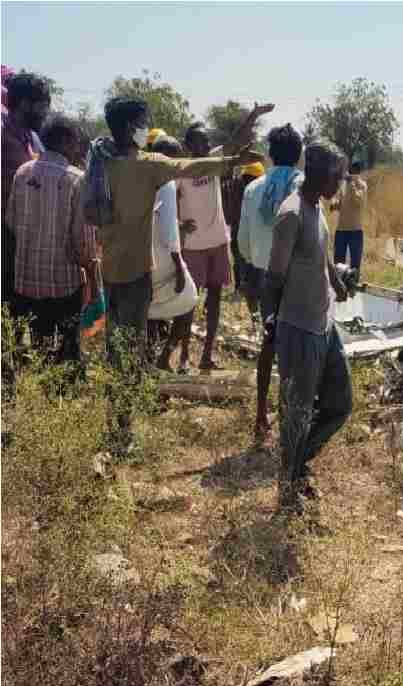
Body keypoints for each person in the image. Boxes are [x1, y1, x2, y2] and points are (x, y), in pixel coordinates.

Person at [84, 96, 263, 452]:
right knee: (131, 352)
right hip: (136, 275)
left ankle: (115, 419)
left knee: (116, 348)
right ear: (130, 127)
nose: (144, 127)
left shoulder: (100, 164)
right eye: (142, 121)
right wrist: (231, 161)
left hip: (110, 272)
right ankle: (122, 431)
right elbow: (193, 166)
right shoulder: (148, 165)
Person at [265, 141, 352, 514]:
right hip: (299, 327)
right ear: (318, 172)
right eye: (337, 175)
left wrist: (336, 280)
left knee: (340, 404)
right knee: (296, 413)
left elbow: (324, 255)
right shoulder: (291, 215)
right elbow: (272, 278)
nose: (341, 182)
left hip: (324, 324)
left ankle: (299, 464)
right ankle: (288, 485)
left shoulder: (317, 208)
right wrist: (271, 324)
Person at [7, 114, 96, 367]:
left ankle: (42, 387)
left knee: (40, 342)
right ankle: (65, 392)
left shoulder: (22, 172)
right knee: (68, 343)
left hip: (27, 280)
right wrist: (91, 272)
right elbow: (83, 241)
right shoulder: (77, 178)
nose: (78, 147)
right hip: (64, 282)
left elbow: (11, 223)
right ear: (67, 141)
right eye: (76, 141)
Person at [238, 123, 305, 444]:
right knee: (300, 347)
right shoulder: (304, 186)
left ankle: (261, 415)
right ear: (299, 154)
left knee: (269, 344)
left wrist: (257, 267)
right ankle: (293, 417)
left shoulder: (254, 190)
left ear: (271, 153)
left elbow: (244, 244)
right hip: (299, 277)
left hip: (266, 276)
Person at [166, 121, 246, 373]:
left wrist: (253, 115)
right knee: (189, 303)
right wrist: (178, 223)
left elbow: (235, 139)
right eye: (203, 141)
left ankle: (207, 355)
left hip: (218, 242)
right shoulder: (182, 170)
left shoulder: (213, 161)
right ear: (190, 146)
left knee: (215, 302)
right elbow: (167, 200)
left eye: (209, 141)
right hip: (193, 247)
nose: (208, 144)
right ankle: (183, 357)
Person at [144, 134, 195, 362]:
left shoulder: (140, 177)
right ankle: (164, 357)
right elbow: (167, 228)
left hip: (141, 254)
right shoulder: (167, 183)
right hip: (164, 256)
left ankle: (147, 358)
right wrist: (179, 266)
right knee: (188, 302)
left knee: (149, 307)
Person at [3, 73, 51, 312]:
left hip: (25, 239)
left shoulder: (32, 137)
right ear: (24, 104)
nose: (45, 113)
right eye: (43, 106)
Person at [226, 161, 262, 306]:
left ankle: (240, 286)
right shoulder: (255, 191)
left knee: (239, 261)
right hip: (249, 233)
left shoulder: (236, 186)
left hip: (236, 231)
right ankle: (247, 287)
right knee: (250, 262)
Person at [331, 160, 367, 269]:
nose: (351, 172)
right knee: (338, 264)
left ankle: (353, 284)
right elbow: (340, 203)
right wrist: (334, 204)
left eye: (354, 170)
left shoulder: (362, 185)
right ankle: (340, 285)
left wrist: (351, 183)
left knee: (355, 265)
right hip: (341, 230)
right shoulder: (343, 185)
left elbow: (358, 202)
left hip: (355, 230)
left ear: (358, 171)